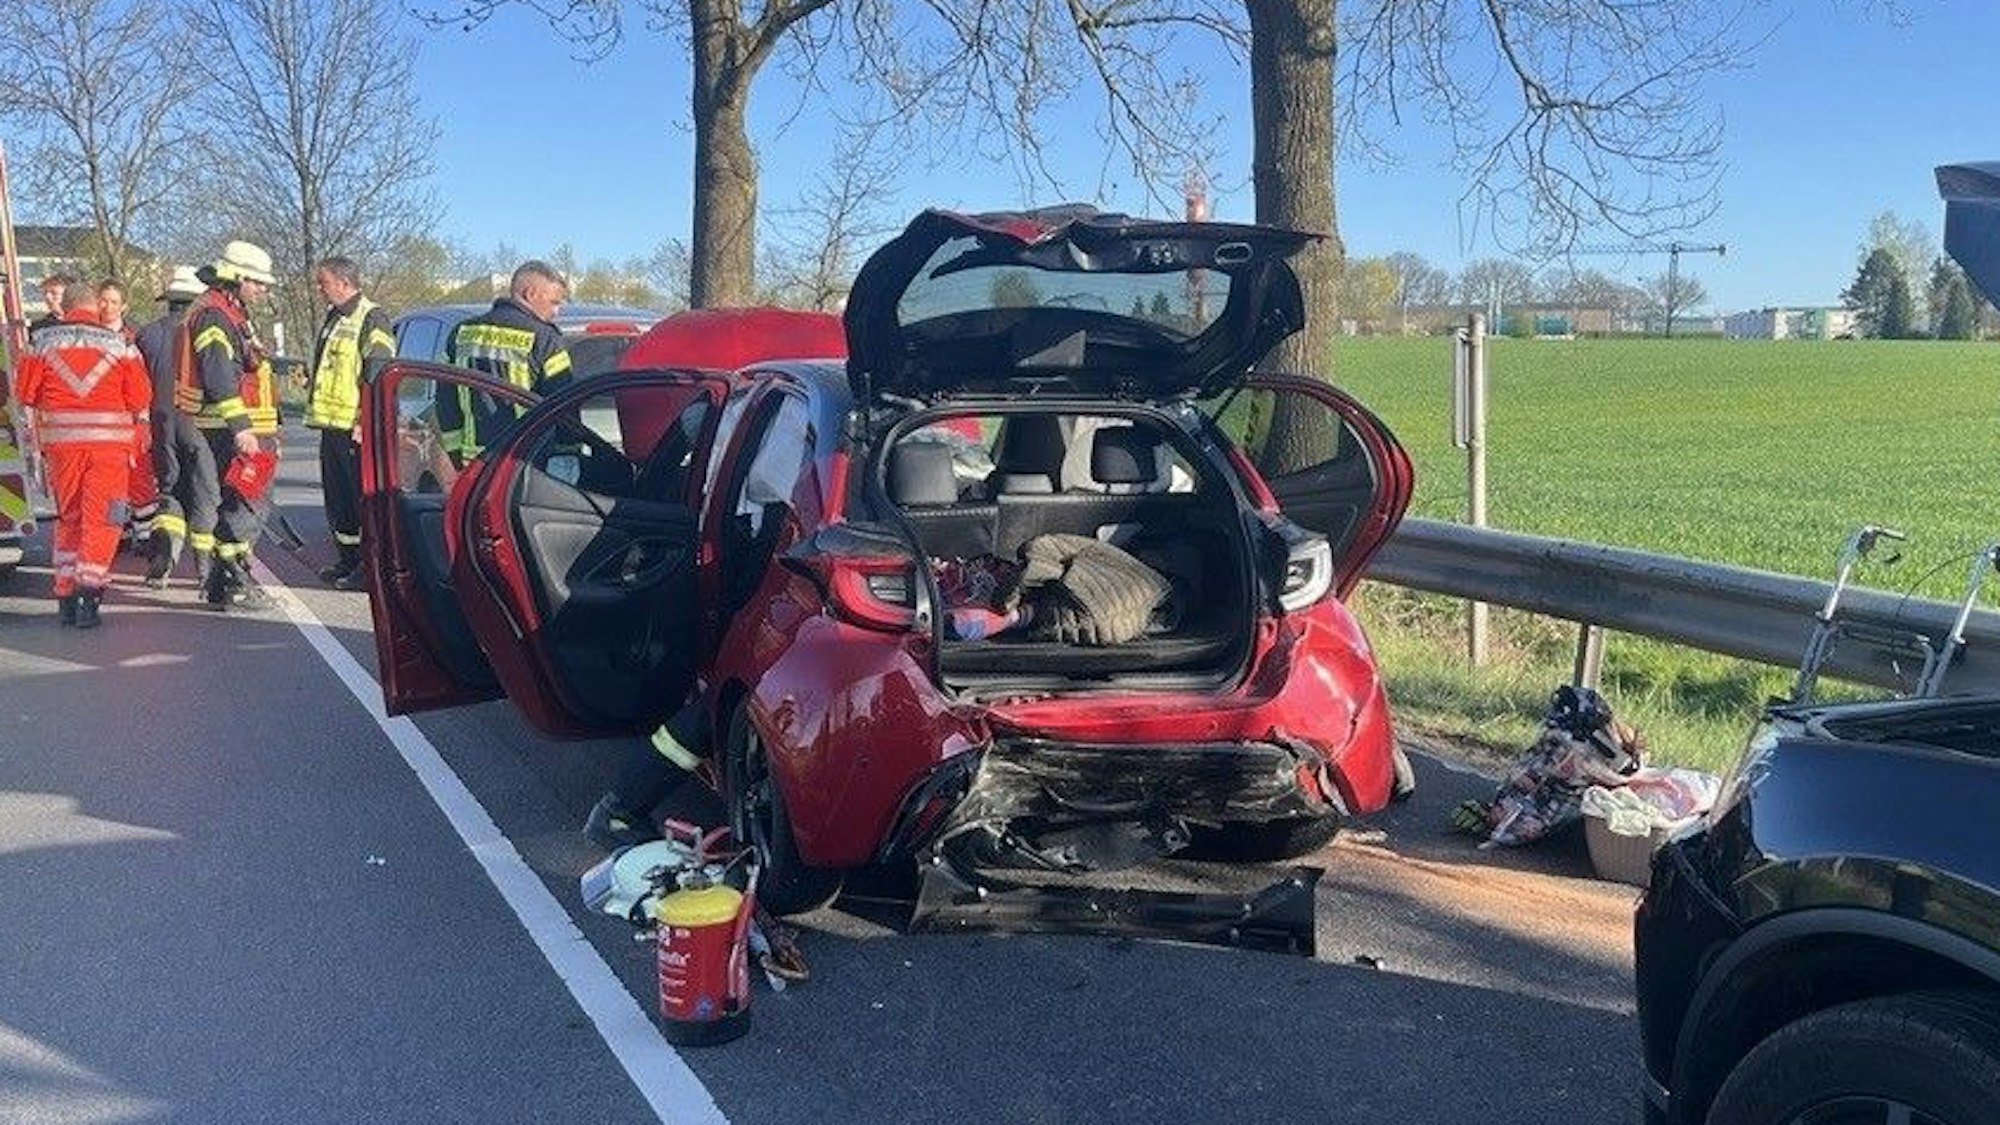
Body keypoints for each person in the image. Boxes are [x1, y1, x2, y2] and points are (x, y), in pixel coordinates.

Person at [13, 282, 149, 627]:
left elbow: (25, 394)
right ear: (96, 308)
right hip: (110, 450)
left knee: (69, 518)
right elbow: (138, 398)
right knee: (103, 520)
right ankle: (89, 594)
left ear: (66, 307)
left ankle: (65, 594)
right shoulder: (121, 345)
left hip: (62, 449)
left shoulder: (40, 343)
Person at [173, 241, 280, 610]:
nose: (263, 289)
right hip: (225, 425)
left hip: (220, 424)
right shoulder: (216, 316)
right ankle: (234, 577)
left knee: (237, 498)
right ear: (236, 278)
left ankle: (222, 580)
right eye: (258, 282)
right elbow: (219, 374)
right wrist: (242, 428)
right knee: (249, 500)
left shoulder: (228, 310)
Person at [302, 256, 394, 590]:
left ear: (343, 282)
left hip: (355, 429)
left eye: (323, 282)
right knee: (339, 500)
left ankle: (368, 569)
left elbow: (378, 370)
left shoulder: (372, 318)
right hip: (331, 426)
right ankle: (348, 561)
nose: (319, 289)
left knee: (361, 501)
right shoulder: (334, 317)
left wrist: (364, 419)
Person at [437, 260, 574, 463]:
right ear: (530, 293)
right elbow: (564, 407)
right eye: (554, 302)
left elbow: (445, 401)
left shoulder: (460, 333)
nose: (557, 312)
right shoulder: (544, 340)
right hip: (525, 465)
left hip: (474, 465)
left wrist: (455, 457)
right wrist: (570, 457)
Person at [136, 266, 207, 587]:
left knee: (169, 491)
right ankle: (208, 572)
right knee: (205, 494)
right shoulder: (205, 331)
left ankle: (162, 556)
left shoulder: (147, 335)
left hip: (161, 424)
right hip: (200, 424)